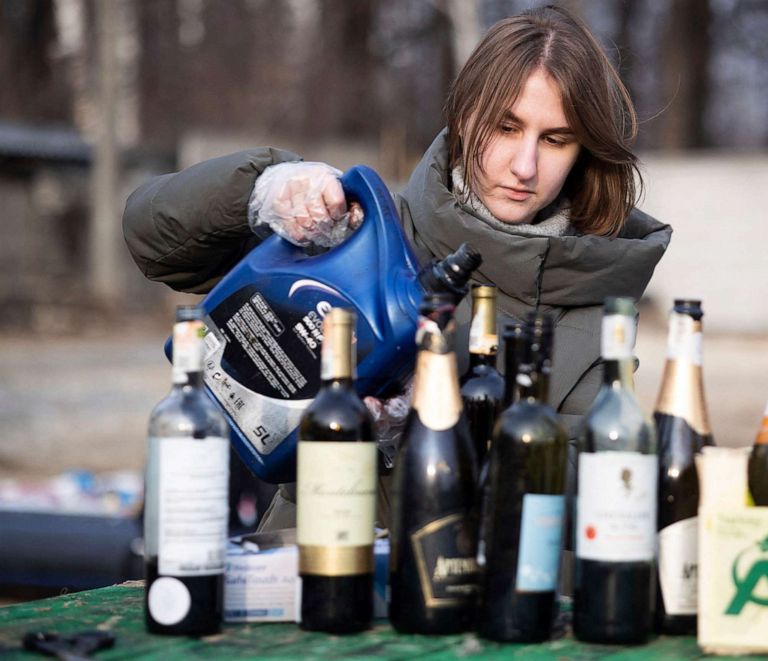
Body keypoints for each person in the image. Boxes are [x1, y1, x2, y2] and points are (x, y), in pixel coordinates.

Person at [122, 5, 673, 532]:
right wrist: (260, 188)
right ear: (464, 117)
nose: (525, 166)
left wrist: (428, 426)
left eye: (554, 140)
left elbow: (591, 501)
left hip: (493, 609)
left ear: (583, 152)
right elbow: (153, 241)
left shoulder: (596, 309)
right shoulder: (359, 230)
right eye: (506, 128)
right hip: (316, 579)